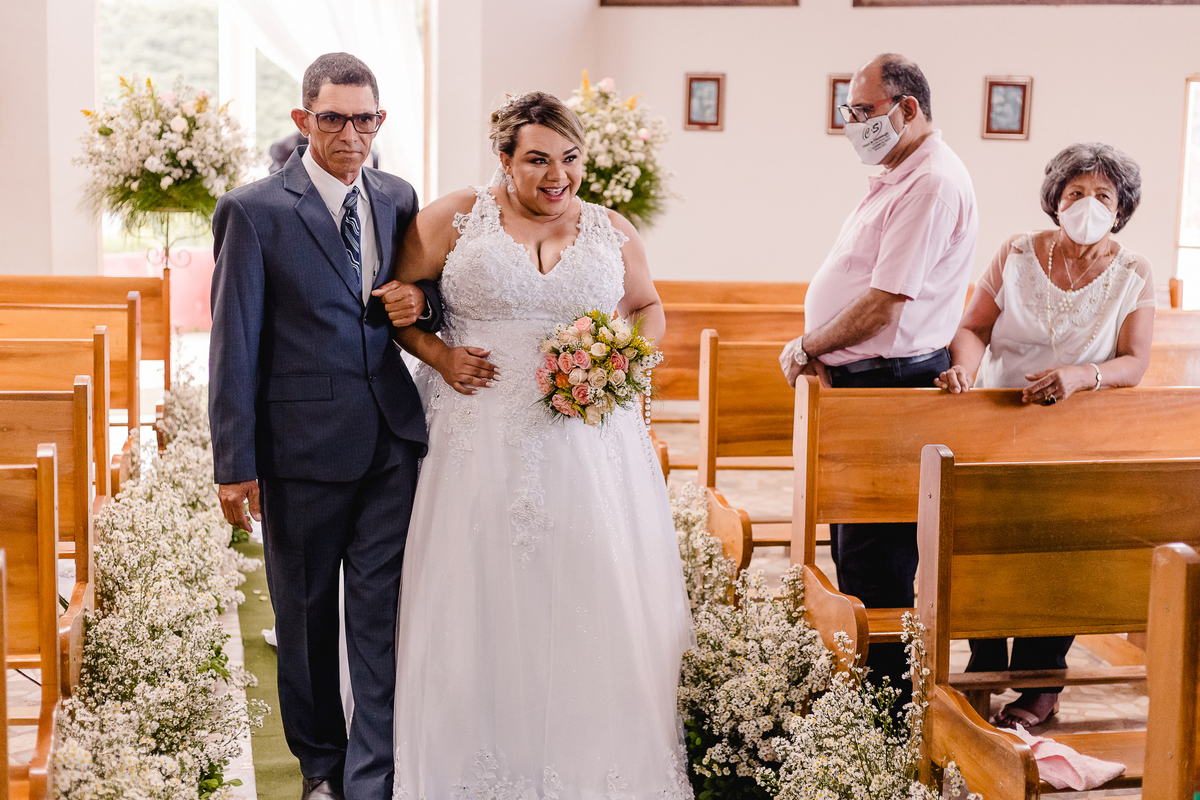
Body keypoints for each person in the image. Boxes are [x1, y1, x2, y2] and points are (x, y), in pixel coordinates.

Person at [377, 91, 694, 798]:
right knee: (478, 589)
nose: (558, 176)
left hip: (588, 442)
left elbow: (646, 308)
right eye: (539, 160)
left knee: (587, 588)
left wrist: (619, 363)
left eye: (571, 159)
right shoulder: (455, 218)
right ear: (505, 159)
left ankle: (593, 757)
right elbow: (396, 301)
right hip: (476, 434)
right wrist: (438, 355)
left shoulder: (611, 228)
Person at [209, 52, 442, 800]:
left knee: (379, 615)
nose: (352, 133)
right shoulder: (254, 211)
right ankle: (321, 770)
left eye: (365, 118)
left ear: (380, 121)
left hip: (391, 440)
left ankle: (373, 773)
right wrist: (233, 462)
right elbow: (233, 342)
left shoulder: (398, 196)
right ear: (303, 120)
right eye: (335, 118)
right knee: (306, 621)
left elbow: (423, 296)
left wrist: (420, 305)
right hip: (299, 452)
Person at [778, 53, 978, 699]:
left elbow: (887, 301)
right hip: (867, 380)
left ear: (908, 108)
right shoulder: (901, 172)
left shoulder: (932, 183)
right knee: (854, 543)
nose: (853, 124)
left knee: (878, 555)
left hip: (891, 385)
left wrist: (808, 343)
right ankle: (865, 691)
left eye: (862, 112)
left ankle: (886, 707)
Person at [935, 142, 1153, 728]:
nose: (1087, 204)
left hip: (1079, 430)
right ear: (1055, 199)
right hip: (998, 418)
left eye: (1102, 195)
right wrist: (964, 366)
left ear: (1121, 208)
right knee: (983, 546)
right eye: (1075, 192)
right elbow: (974, 326)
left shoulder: (1133, 272)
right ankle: (983, 666)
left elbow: (1135, 361)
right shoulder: (1015, 252)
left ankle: (1039, 686)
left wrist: (1084, 376)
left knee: (1056, 556)